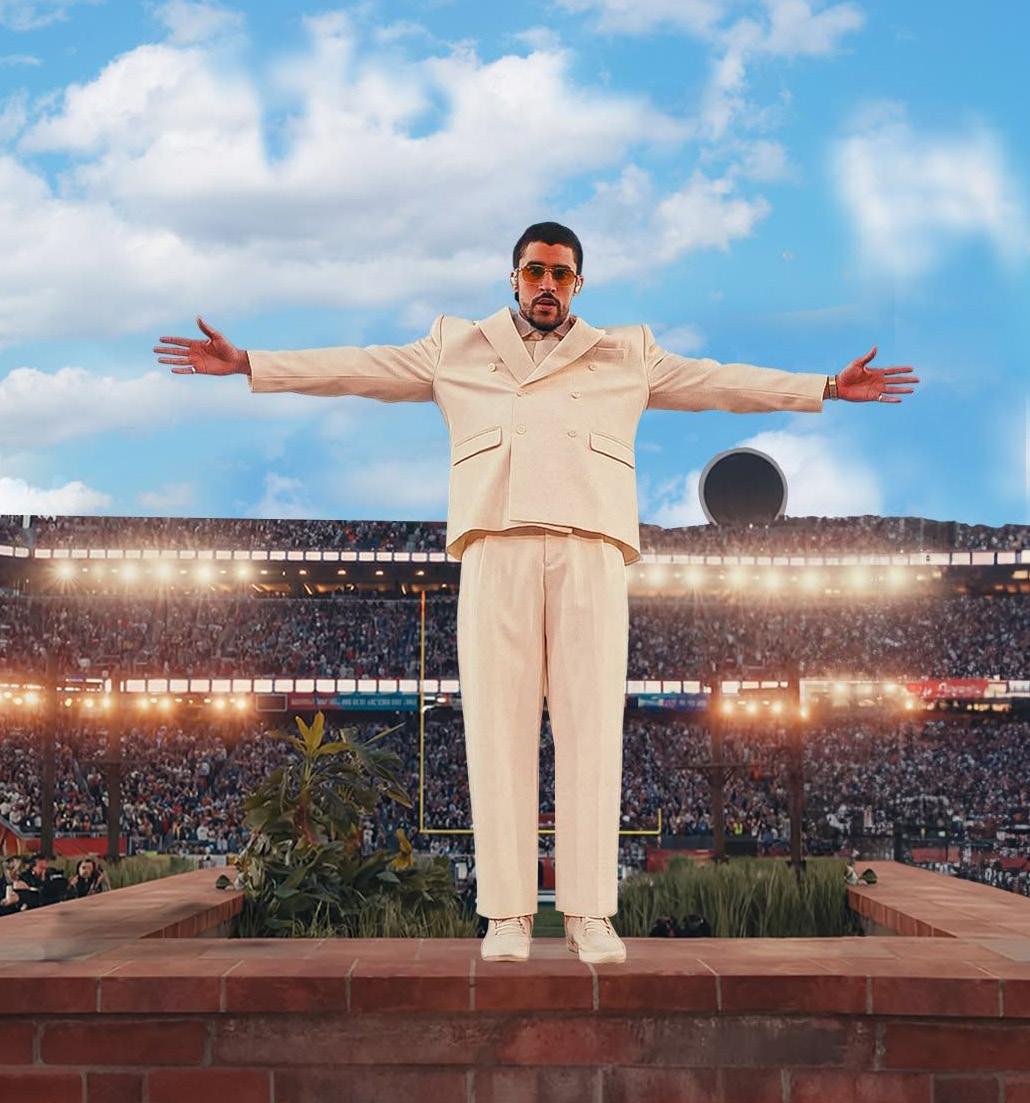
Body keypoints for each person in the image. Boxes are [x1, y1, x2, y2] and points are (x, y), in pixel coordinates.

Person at [154, 221, 919, 965]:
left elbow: (719, 382)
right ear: (514, 277)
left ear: (578, 283)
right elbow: (359, 368)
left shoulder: (627, 351)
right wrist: (251, 362)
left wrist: (825, 386)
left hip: (592, 546)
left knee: (593, 732)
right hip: (496, 542)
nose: (546, 284)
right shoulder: (456, 344)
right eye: (534, 271)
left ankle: (589, 915)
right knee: (496, 731)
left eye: (560, 274)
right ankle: (507, 915)